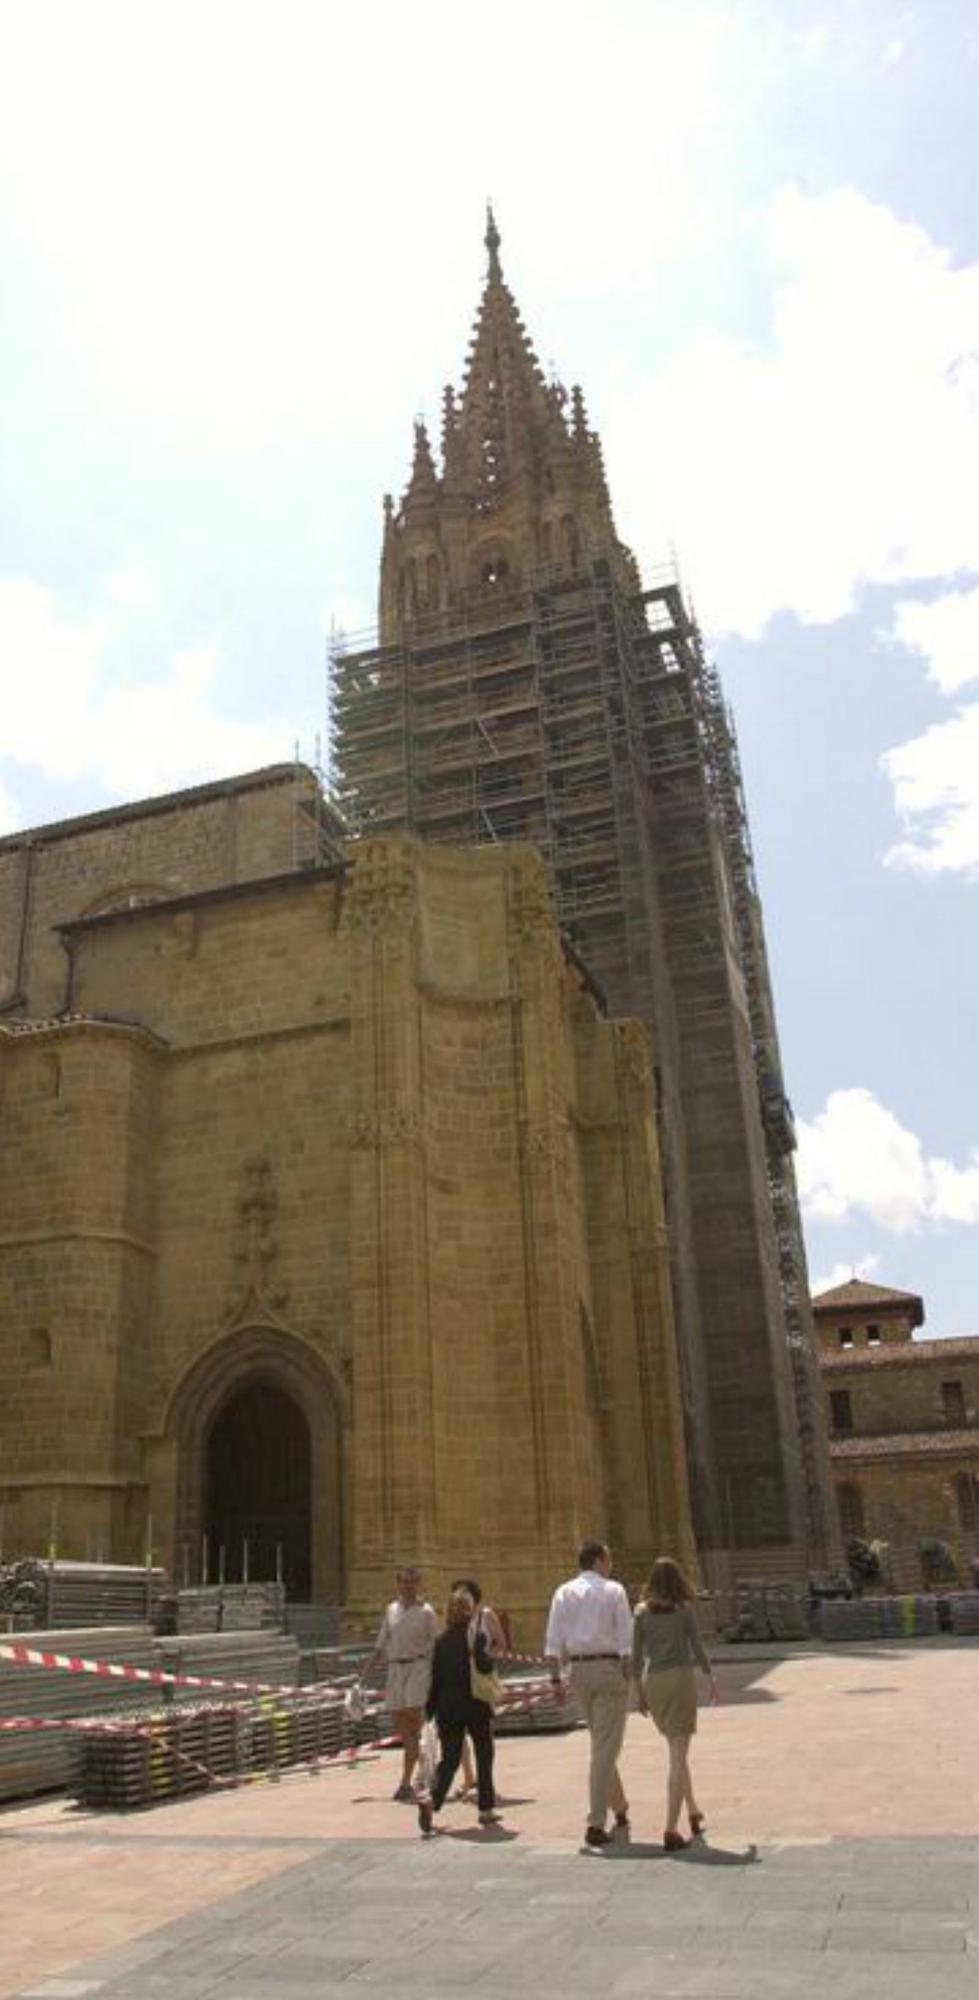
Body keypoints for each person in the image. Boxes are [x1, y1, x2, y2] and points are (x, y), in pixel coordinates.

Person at [545, 1539, 633, 1849]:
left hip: (578, 1673)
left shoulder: (562, 1592)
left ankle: (620, 1807)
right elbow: (626, 1640)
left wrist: (555, 1681)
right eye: (608, 1559)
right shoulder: (614, 1591)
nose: (610, 1565)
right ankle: (596, 1822)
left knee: (601, 1743)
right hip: (608, 1670)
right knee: (606, 1747)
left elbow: (553, 1643)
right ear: (598, 1560)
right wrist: (630, 1676)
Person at [632, 1555, 719, 1851]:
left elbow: (634, 1658)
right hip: (680, 1679)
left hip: (654, 1681)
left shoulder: (641, 1612)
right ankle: (670, 1828)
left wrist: (639, 1693)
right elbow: (697, 1647)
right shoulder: (684, 1610)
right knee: (677, 1757)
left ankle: (693, 1810)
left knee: (676, 1749)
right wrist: (711, 1678)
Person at [417, 1587, 500, 1834]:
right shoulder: (476, 1637)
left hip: (448, 1707)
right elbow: (485, 1667)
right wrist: (490, 1655)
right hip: (476, 1704)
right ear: (469, 1610)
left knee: (450, 1759)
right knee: (484, 1754)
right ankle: (485, 1809)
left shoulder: (440, 1643)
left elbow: (436, 1679)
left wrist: (429, 1710)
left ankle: (432, 1800)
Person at [360, 1565, 439, 1800]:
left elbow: (436, 1646)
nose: (408, 1586)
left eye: (412, 1581)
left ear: (418, 1583)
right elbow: (380, 1644)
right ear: (398, 1584)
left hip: (417, 1668)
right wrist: (362, 1678)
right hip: (395, 1670)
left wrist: (437, 1678)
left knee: (414, 1726)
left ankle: (407, 1782)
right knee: (403, 1727)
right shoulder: (391, 1610)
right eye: (403, 1581)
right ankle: (424, 1769)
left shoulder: (426, 1612)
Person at [449, 1576, 506, 1800]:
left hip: (481, 1680)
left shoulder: (486, 1615)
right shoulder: (454, 1619)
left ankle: (485, 1780)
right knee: (459, 1732)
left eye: (465, 1594)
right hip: (459, 1680)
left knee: (483, 1734)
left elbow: (501, 1644)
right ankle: (469, 1776)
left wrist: (483, 1659)